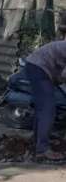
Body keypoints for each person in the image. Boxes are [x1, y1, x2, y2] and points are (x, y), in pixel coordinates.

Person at [24, 27, 66, 162]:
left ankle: (37, 140)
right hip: (39, 68)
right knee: (48, 109)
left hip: (35, 65)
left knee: (42, 108)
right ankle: (42, 149)